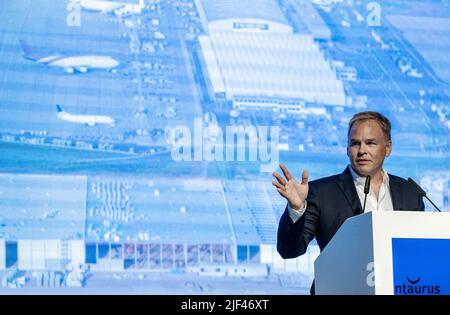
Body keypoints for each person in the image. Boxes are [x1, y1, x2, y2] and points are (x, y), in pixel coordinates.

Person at [272, 111, 424, 294]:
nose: (362, 151)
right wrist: (296, 208)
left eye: (370, 143)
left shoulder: (410, 192)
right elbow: (289, 251)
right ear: (347, 149)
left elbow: (417, 253)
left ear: (388, 148)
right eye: (355, 143)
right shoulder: (320, 192)